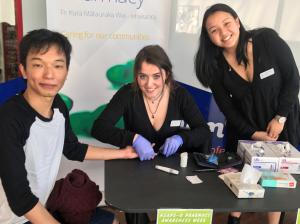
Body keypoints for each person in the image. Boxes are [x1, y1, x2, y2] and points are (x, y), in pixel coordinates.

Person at [0, 29, 138, 224]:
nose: (49, 74)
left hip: (41, 204)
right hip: (13, 217)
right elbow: (20, 199)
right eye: (38, 65)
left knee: (112, 221)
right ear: (23, 70)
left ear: (66, 71)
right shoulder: (10, 118)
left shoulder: (58, 106)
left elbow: (72, 148)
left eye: (57, 65)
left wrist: (123, 153)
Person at [194, 3, 300, 224]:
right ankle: (234, 219)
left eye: (226, 24)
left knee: (277, 180)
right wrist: (253, 134)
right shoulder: (215, 65)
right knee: (244, 179)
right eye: (214, 30)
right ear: (208, 37)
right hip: (246, 129)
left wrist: (280, 118)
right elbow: (227, 108)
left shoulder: (267, 41)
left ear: (237, 21)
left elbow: (292, 79)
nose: (223, 33)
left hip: (282, 122)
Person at [92, 44, 211, 223]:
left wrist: (181, 138)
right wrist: (134, 138)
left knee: (177, 213)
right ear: (136, 77)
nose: (149, 84)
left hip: (172, 169)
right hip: (135, 166)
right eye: (143, 77)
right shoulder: (127, 93)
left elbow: (203, 131)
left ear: (167, 74)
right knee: (135, 212)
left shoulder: (180, 95)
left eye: (156, 76)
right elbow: (99, 128)